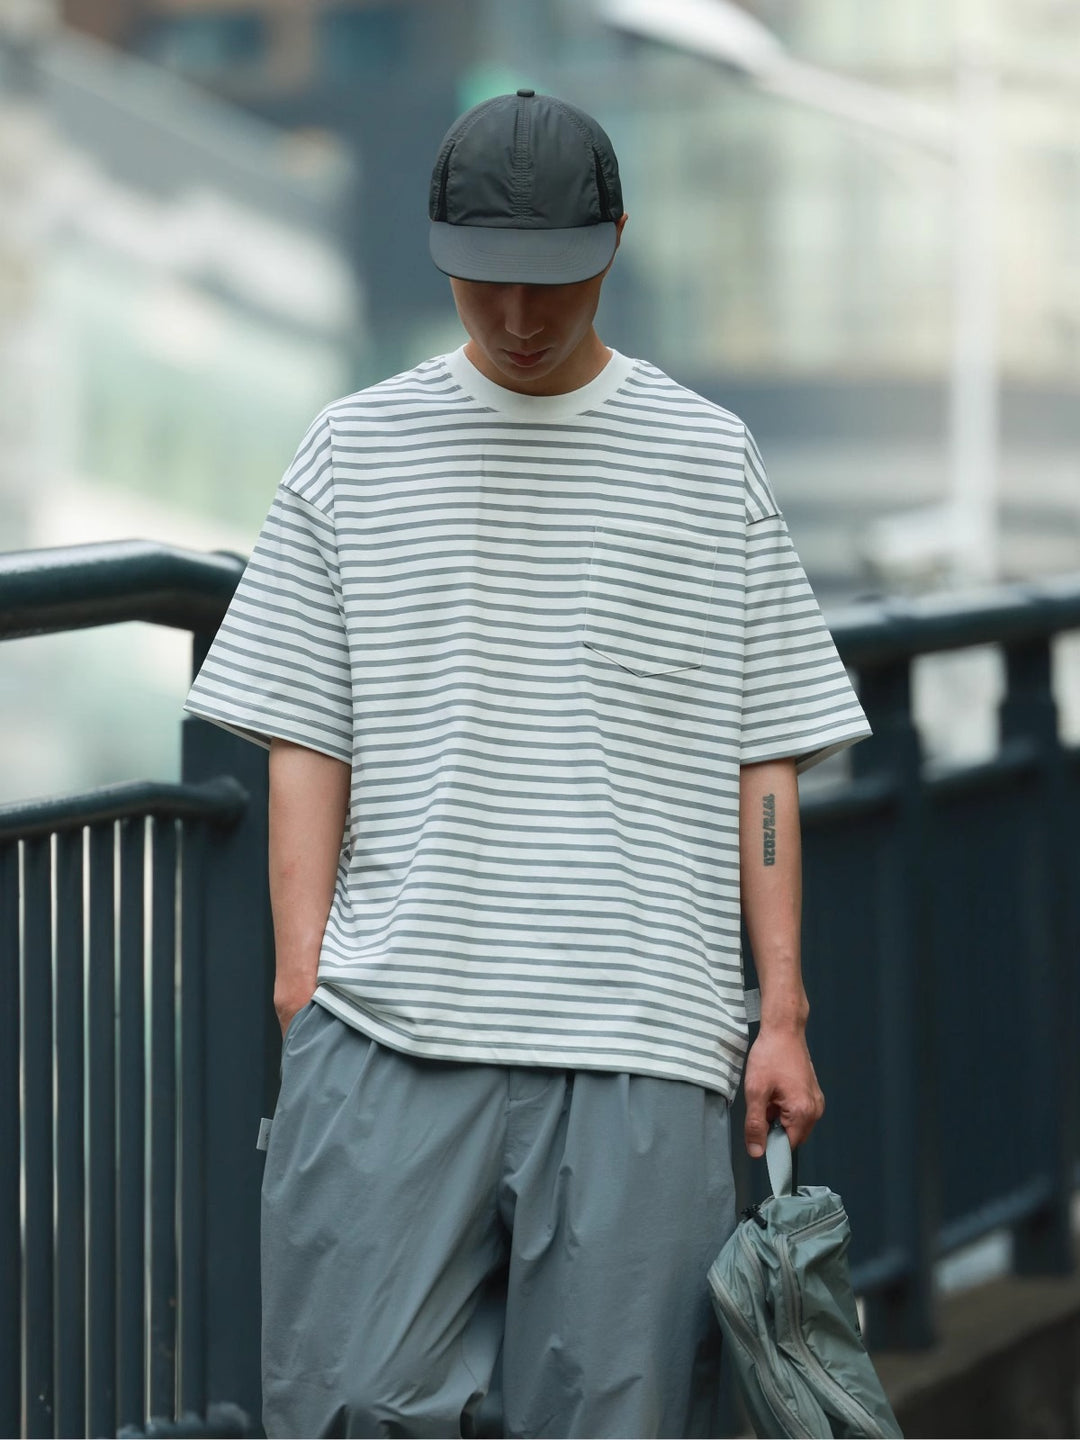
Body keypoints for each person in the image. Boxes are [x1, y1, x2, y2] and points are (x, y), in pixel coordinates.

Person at [183, 89, 872, 1440]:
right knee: (342, 1406)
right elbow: (305, 731)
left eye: (549, 278)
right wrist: (301, 981)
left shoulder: (706, 460)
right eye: (483, 277)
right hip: (391, 1024)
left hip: (644, 1033)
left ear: (614, 243)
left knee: (616, 1418)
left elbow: (765, 755)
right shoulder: (352, 450)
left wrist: (780, 1009)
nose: (515, 313)